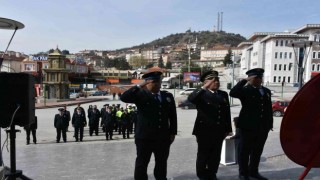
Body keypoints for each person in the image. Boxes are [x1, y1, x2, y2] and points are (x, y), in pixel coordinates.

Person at [120, 69, 177, 180]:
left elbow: (172, 116)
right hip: (144, 137)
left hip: (163, 137)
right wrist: (138, 86)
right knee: (142, 162)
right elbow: (124, 98)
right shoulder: (141, 95)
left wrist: (173, 132)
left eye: (158, 82)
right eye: (154, 82)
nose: (157, 84)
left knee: (161, 162)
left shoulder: (167, 96)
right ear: (147, 83)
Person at [188, 70, 232, 180]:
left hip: (219, 130)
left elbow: (227, 112)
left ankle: (212, 173)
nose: (216, 82)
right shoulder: (201, 93)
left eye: (217, 80)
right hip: (204, 130)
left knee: (215, 155)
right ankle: (202, 175)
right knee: (203, 155)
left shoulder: (223, 94)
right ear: (206, 82)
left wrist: (228, 128)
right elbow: (191, 99)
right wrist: (204, 87)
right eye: (213, 80)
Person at [229, 68, 273, 180]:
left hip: (262, 127)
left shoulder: (266, 91)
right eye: (255, 78)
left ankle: (254, 172)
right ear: (250, 79)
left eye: (260, 77)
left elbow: (268, 109)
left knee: (257, 151)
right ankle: (243, 173)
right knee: (244, 151)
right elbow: (233, 92)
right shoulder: (245, 90)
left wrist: (269, 125)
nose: (258, 80)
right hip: (247, 127)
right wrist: (244, 80)